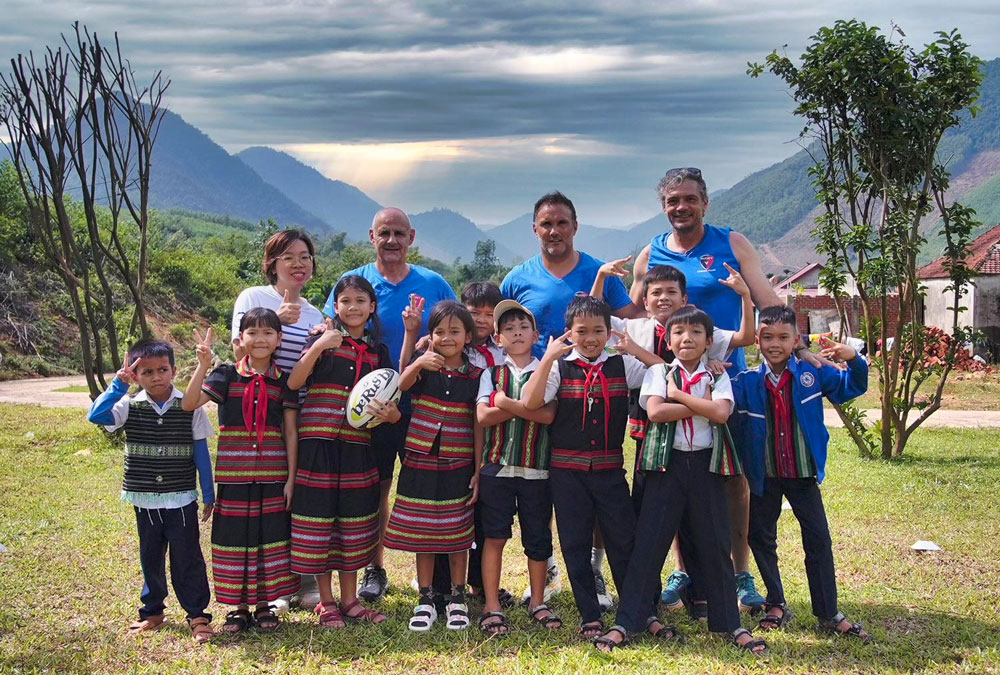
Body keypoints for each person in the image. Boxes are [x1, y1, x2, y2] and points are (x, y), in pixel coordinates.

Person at [629, 168, 792, 612]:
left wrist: (802, 346)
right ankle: (684, 570)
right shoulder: (651, 253)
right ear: (664, 206)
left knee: (732, 479)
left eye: (689, 199)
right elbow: (633, 313)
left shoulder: (732, 244)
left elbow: (769, 302)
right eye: (672, 201)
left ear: (705, 202)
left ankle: (739, 572)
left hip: (726, 380)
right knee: (679, 473)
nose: (680, 207)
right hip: (671, 382)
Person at [594, 306, 766, 655]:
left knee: (716, 545)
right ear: (669, 341)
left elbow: (721, 413)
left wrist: (682, 397)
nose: (686, 338)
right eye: (679, 333)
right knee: (649, 545)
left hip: (705, 467)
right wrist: (699, 404)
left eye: (695, 333)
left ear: (708, 343)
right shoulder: (659, 371)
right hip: (664, 467)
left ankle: (730, 624)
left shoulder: (717, 375)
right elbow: (656, 412)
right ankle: (628, 622)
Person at [501, 191, 639, 607]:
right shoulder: (517, 278)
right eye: (546, 224)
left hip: (586, 395)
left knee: (591, 488)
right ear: (535, 229)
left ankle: (594, 569)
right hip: (539, 392)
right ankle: (545, 569)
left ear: (575, 226)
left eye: (562, 223)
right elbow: (502, 329)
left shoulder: (600, 272)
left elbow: (631, 321)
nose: (554, 231)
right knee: (542, 489)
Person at [330, 207, 457, 602]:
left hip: (425, 402)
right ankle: (375, 567)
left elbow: (457, 326)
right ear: (372, 236)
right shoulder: (355, 282)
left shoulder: (433, 282)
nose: (391, 240)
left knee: (430, 485)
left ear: (411, 236)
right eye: (384, 233)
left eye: (399, 233)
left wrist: (427, 340)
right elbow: (329, 328)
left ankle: (439, 579)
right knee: (377, 487)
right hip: (371, 406)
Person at [521, 296, 663, 638]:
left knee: (623, 542)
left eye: (599, 331)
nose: (590, 338)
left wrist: (633, 349)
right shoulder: (558, 366)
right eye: (581, 331)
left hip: (610, 472)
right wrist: (548, 359)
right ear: (569, 333)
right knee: (575, 544)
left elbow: (662, 370)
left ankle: (640, 611)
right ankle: (590, 614)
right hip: (567, 474)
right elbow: (529, 401)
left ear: (609, 333)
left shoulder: (622, 365)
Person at [730, 305, 871, 642]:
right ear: (756, 341)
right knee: (760, 537)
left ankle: (827, 612)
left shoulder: (814, 372)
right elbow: (724, 412)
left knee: (818, 539)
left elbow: (853, 386)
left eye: (783, 337)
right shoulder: (746, 381)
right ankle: (776, 603)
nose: (774, 344)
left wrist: (853, 358)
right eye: (767, 337)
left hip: (802, 473)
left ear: (796, 340)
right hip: (764, 476)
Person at [287, 275, 400, 628]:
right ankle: (326, 602)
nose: (352, 307)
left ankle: (350, 600)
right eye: (345, 301)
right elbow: (294, 381)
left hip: (357, 446)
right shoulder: (320, 339)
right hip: (317, 445)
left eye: (360, 301)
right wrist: (320, 346)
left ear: (372, 307)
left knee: (352, 522)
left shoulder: (379, 352)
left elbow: (387, 399)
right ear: (335, 307)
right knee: (320, 522)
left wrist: (390, 414)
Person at [86, 339, 215, 643]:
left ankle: (197, 614)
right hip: (144, 498)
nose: (156, 376)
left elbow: (201, 453)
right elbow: (97, 416)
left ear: (173, 370)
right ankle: (153, 610)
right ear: (136, 374)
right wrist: (118, 385)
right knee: (150, 556)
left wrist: (208, 493)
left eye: (162, 369)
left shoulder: (190, 405)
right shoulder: (128, 404)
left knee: (187, 557)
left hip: (181, 497)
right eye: (146, 371)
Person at [183, 308, 300, 633]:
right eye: (253, 332)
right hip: (233, 477)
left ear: (279, 339)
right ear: (241, 339)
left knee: (269, 539)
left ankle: (265, 605)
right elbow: (189, 403)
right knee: (235, 539)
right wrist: (203, 366)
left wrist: (291, 478)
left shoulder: (284, 382)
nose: (260, 339)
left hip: (273, 476)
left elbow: (290, 433)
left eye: (267, 333)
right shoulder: (225, 376)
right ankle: (238, 607)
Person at [231, 228, 325, 610]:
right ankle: (272, 587)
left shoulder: (317, 313)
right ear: (272, 264)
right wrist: (275, 319)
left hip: (298, 411)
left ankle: (302, 581)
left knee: (296, 493)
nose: (298, 264)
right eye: (289, 257)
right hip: (257, 407)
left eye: (305, 257)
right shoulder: (254, 297)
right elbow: (238, 346)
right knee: (265, 496)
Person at [384, 301, 483, 632]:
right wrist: (418, 359)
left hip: (458, 462)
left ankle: (457, 597)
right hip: (419, 460)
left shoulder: (477, 376)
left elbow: (479, 426)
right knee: (422, 532)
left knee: (457, 533)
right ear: (431, 335)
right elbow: (401, 385)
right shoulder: (423, 368)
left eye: (455, 331)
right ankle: (426, 598)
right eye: (439, 331)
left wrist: (478, 469)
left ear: (468, 336)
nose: (447, 337)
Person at [475, 300, 561, 636]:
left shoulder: (549, 369)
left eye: (523, 327)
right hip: (496, 469)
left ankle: (538, 601)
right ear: (498, 339)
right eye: (509, 329)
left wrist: (506, 403)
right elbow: (483, 417)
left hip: (537, 471)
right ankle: (492, 604)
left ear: (536, 334)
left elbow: (547, 414)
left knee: (538, 539)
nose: (517, 333)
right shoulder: (490, 373)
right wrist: (524, 408)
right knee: (494, 537)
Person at [460, 282, 515, 607]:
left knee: (484, 519)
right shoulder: (451, 344)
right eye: (474, 313)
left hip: (491, 442)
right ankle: (445, 583)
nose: (481, 320)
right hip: (454, 438)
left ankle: (479, 585)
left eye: (487, 314)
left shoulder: (501, 353)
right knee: (454, 514)